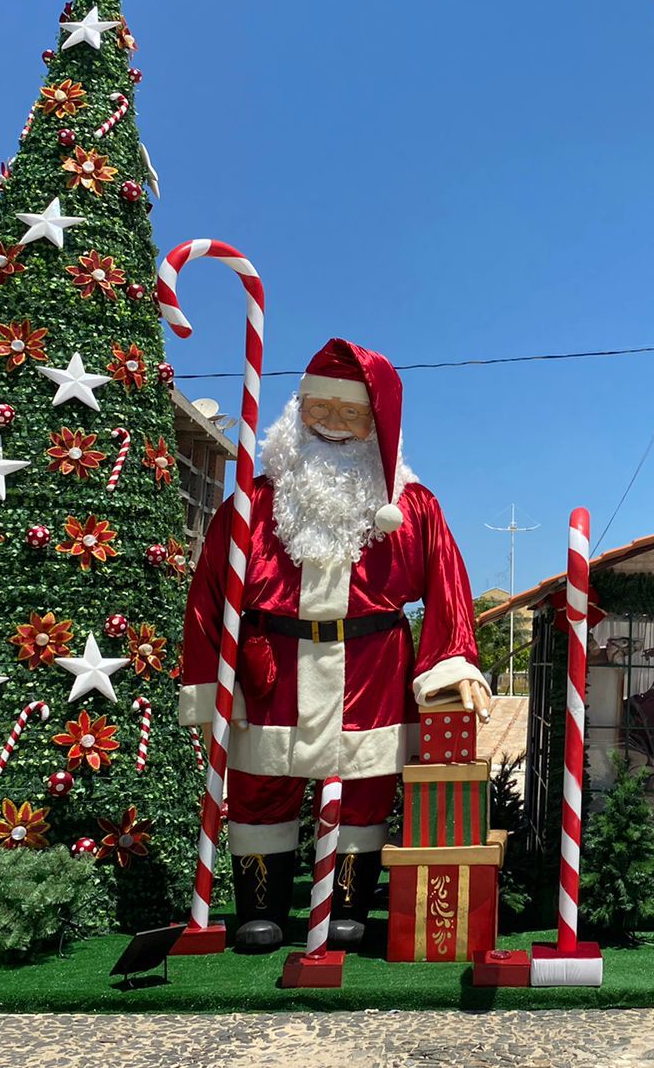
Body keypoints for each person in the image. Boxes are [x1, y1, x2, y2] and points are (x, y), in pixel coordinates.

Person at [179, 338, 492, 951]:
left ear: (378, 424)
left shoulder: (412, 507)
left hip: (371, 667)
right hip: (272, 670)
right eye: (322, 409)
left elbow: (449, 584)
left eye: (352, 414)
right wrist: (213, 681)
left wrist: (454, 660)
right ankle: (260, 909)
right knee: (258, 786)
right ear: (298, 414)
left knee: (362, 788)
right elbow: (209, 591)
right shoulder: (253, 505)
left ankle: (345, 903)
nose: (335, 425)